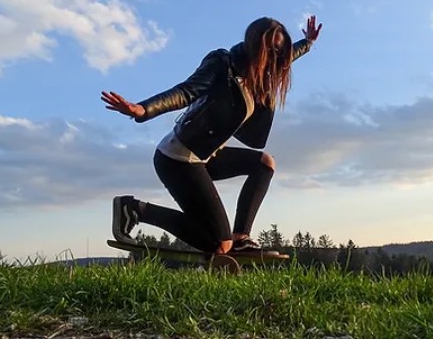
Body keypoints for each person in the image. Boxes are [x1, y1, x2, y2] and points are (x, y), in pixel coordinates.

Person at [101, 15, 322, 255]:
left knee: (265, 163)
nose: (276, 57)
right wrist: (143, 109)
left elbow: (289, 56)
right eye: (270, 50)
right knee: (219, 245)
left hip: (207, 156)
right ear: (255, 46)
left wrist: (307, 43)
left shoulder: (260, 73)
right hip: (178, 159)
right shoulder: (222, 64)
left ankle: (241, 238)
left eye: (279, 51)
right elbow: (186, 91)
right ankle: (134, 209)